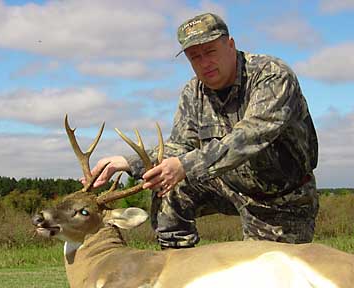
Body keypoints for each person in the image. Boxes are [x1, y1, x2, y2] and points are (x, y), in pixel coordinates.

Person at [88, 13, 319, 249]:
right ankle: (177, 267)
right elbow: (180, 147)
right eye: (194, 57)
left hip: (281, 199)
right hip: (229, 186)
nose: (203, 63)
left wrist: (184, 166)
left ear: (230, 45)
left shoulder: (271, 74)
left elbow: (251, 135)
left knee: (264, 274)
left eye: (210, 52)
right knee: (170, 187)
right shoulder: (193, 92)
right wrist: (128, 162)